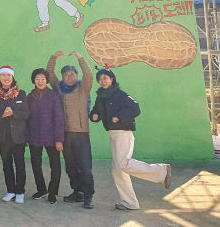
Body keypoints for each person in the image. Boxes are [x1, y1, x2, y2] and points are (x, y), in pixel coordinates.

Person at [90, 68, 171, 210]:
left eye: (105, 78)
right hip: (113, 134)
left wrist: (119, 117)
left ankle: (162, 171)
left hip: (123, 133)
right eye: (100, 79)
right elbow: (96, 111)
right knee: (118, 170)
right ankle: (130, 202)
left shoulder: (120, 94)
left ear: (112, 79)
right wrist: (94, 116)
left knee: (123, 164)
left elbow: (135, 108)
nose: (103, 81)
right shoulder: (101, 96)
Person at [47, 50, 95, 209]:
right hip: (65, 134)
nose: (69, 77)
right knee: (71, 166)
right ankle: (77, 191)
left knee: (85, 166)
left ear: (76, 76)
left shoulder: (83, 88)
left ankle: (88, 195)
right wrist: (53, 58)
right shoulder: (58, 88)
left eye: (72, 75)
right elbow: (49, 74)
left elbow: (89, 75)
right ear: (62, 77)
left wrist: (80, 58)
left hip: (81, 134)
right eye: (66, 75)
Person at [0, 65, 29, 204]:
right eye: (3, 75)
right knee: (7, 164)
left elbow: (26, 113)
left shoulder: (21, 93)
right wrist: (2, 115)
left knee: (20, 164)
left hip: (18, 135)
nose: (6, 78)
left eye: (8, 76)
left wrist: (14, 113)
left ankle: (20, 192)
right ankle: (10, 191)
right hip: (2, 135)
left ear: (12, 78)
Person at [27, 68, 65, 204]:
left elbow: (59, 119)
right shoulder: (30, 96)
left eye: (43, 79)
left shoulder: (53, 96)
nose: (40, 81)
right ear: (34, 81)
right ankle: (41, 189)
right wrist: (27, 137)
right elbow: (27, 118)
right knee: (35, 165)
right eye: (37, 79)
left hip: (52, 138)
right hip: (34, 137)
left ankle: (52, 192)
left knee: (55, 166)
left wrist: (59, 139)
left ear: (47, 80)